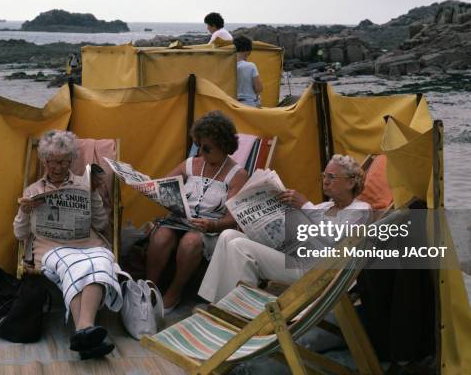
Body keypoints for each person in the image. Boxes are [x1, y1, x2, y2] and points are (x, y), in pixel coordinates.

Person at [198, 154, 372, 303]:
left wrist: (304, 205)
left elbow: (336, 239)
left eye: (331, 177)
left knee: (240, 248)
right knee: (228, 235)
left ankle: (237, 309)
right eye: (324, 176)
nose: (325, 182)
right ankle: (214, 301)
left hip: (316, 272)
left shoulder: (361, 210)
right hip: (293, 257)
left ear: (350, 183)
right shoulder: (324, 207)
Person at [13, 130, 119, 360]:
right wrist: (24, 211)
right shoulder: (34, 191)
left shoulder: (84, 185)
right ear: (43, 160)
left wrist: (93, 196)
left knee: (101, 260)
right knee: (73, 264)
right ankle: (85, 330)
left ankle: (82, 331)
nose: (58, 167)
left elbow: (101, 224)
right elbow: (20, 234)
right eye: (52, 161)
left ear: (71, 160)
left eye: (63, 161)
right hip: (50, 248)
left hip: (87, 243)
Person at [146, 111, 248, 311]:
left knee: (191, 242)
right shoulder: (191, 164)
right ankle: (149, 288)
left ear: (223, 146)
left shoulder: (238, 175)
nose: (201, 152)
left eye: (207, 148)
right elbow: (162, 186)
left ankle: (174, 292)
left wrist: (213, 224)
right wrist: (154, 191)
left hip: (210, 228)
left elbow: (232, 220)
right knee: (161, 237)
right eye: (199, 145)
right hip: (180, 220)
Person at [233, 36, 264, 107]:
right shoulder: (251, 66)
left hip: (233, 104)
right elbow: (259, 88)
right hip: (249, 104)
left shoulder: (229, 66)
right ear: (248, 51)